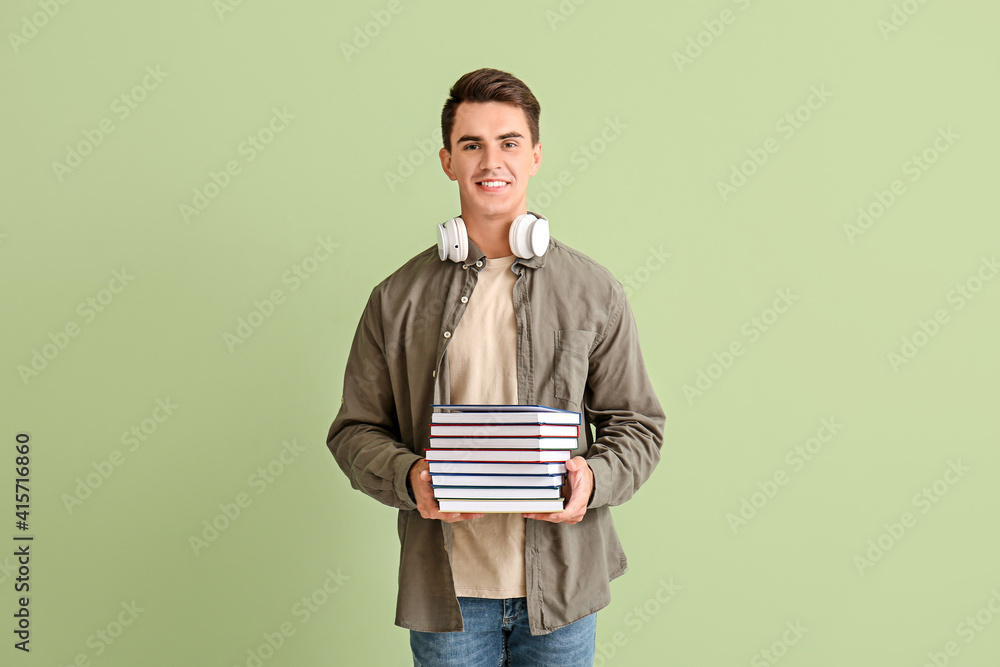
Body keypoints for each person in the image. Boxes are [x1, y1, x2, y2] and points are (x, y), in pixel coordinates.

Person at [327, 67, 665, 667]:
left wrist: (591, 480)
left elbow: (638, 426)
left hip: (563, 587)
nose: (492, 160)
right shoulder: (395, 298)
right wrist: (409, 478)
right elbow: (353, 433)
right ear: (447, 160)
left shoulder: (594, 291)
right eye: (471, 144)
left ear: (534, 156)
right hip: (448, 596)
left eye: (509, 142)